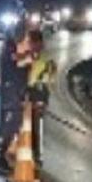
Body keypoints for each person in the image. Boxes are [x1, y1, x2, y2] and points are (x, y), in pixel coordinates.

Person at [0, 28, 29, 175]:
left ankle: (2, 151)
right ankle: (1, 158)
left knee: (9, 123)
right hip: (11, 91)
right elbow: (15, 68)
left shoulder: (8, 48)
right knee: (13, 123)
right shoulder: (9, 49)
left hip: (10, 90)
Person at [24, 28, 57, 168]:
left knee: (36, 126)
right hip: (33, 92)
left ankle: (36, 155)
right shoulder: (33, 55)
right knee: (29, 126)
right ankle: (31, 152)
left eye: (30, 42)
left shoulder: (44, 57)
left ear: (37, 42)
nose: (28, 44)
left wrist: (42, 99)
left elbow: (49, 77)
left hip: (38, 93)